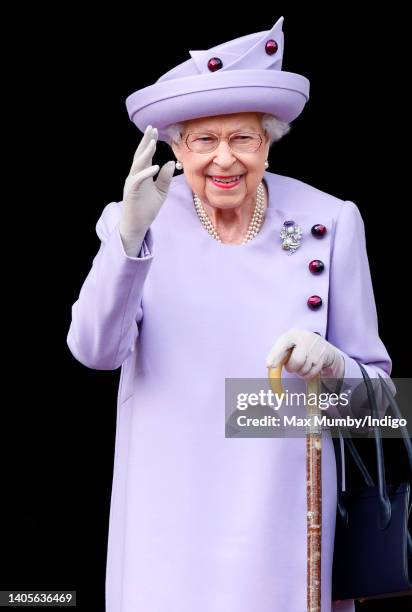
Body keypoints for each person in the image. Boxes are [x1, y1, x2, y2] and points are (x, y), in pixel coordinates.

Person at [67, 16, 393, 612]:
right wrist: (130, 236)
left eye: (243, 139)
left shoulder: (331, 220)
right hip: (167, 526)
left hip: (285, 525)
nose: (224, 159)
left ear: (269, 141)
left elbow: (385, 406)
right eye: (202, 140)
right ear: (174, 146)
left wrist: (338, 366)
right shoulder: (134, 221)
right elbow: (94, 350)